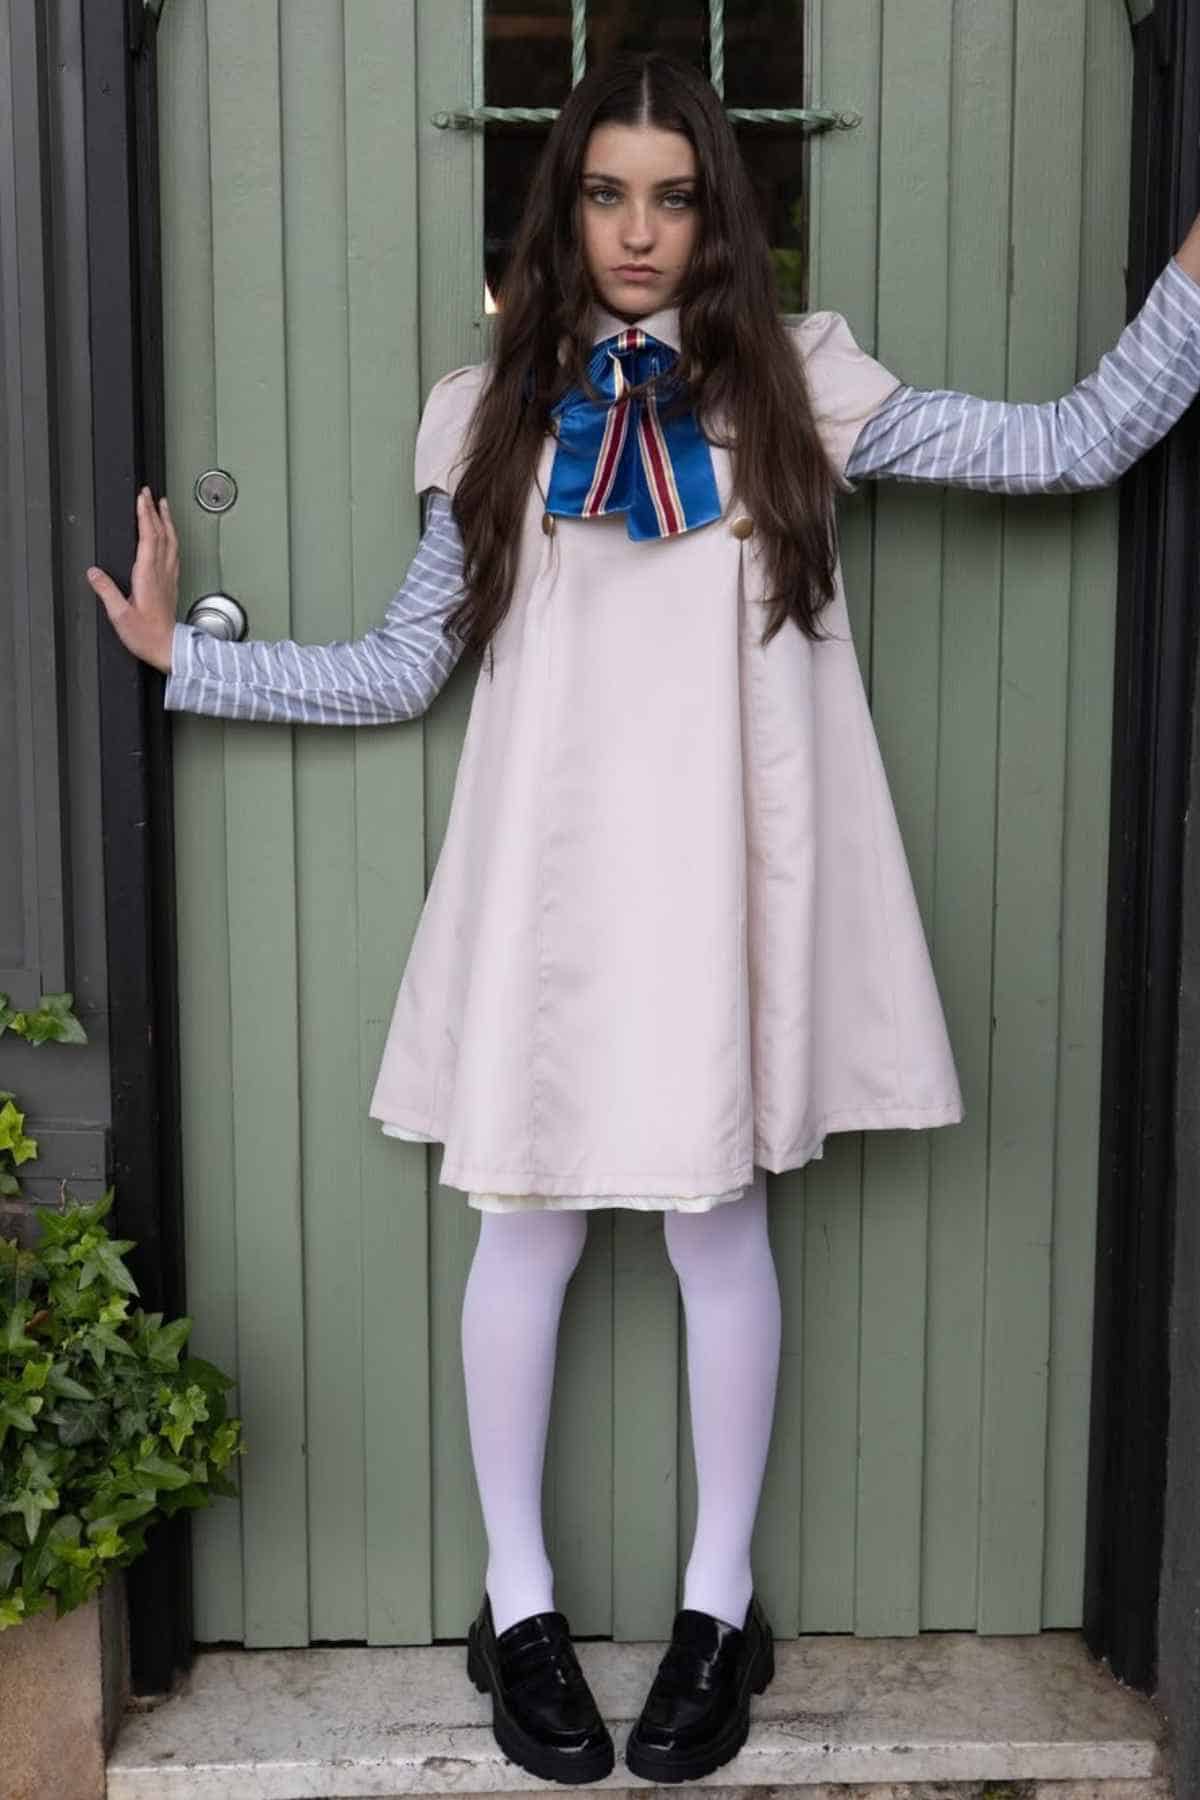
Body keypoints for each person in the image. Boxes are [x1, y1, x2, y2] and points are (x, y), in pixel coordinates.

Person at [87, 47, 1200, 1793]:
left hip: (722, 887)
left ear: (720, 215)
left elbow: (1071, 444)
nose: (638, 230)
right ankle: (515, 1605)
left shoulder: (805, 388)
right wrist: (189, 660)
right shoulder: (491, 413)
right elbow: (401, 670)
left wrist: (1197, 278)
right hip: (548, 893)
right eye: (607, 192)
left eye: (673, 196)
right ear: (562, 206)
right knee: (522, 1228)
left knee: (712, 1227)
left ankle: (715, 1603)